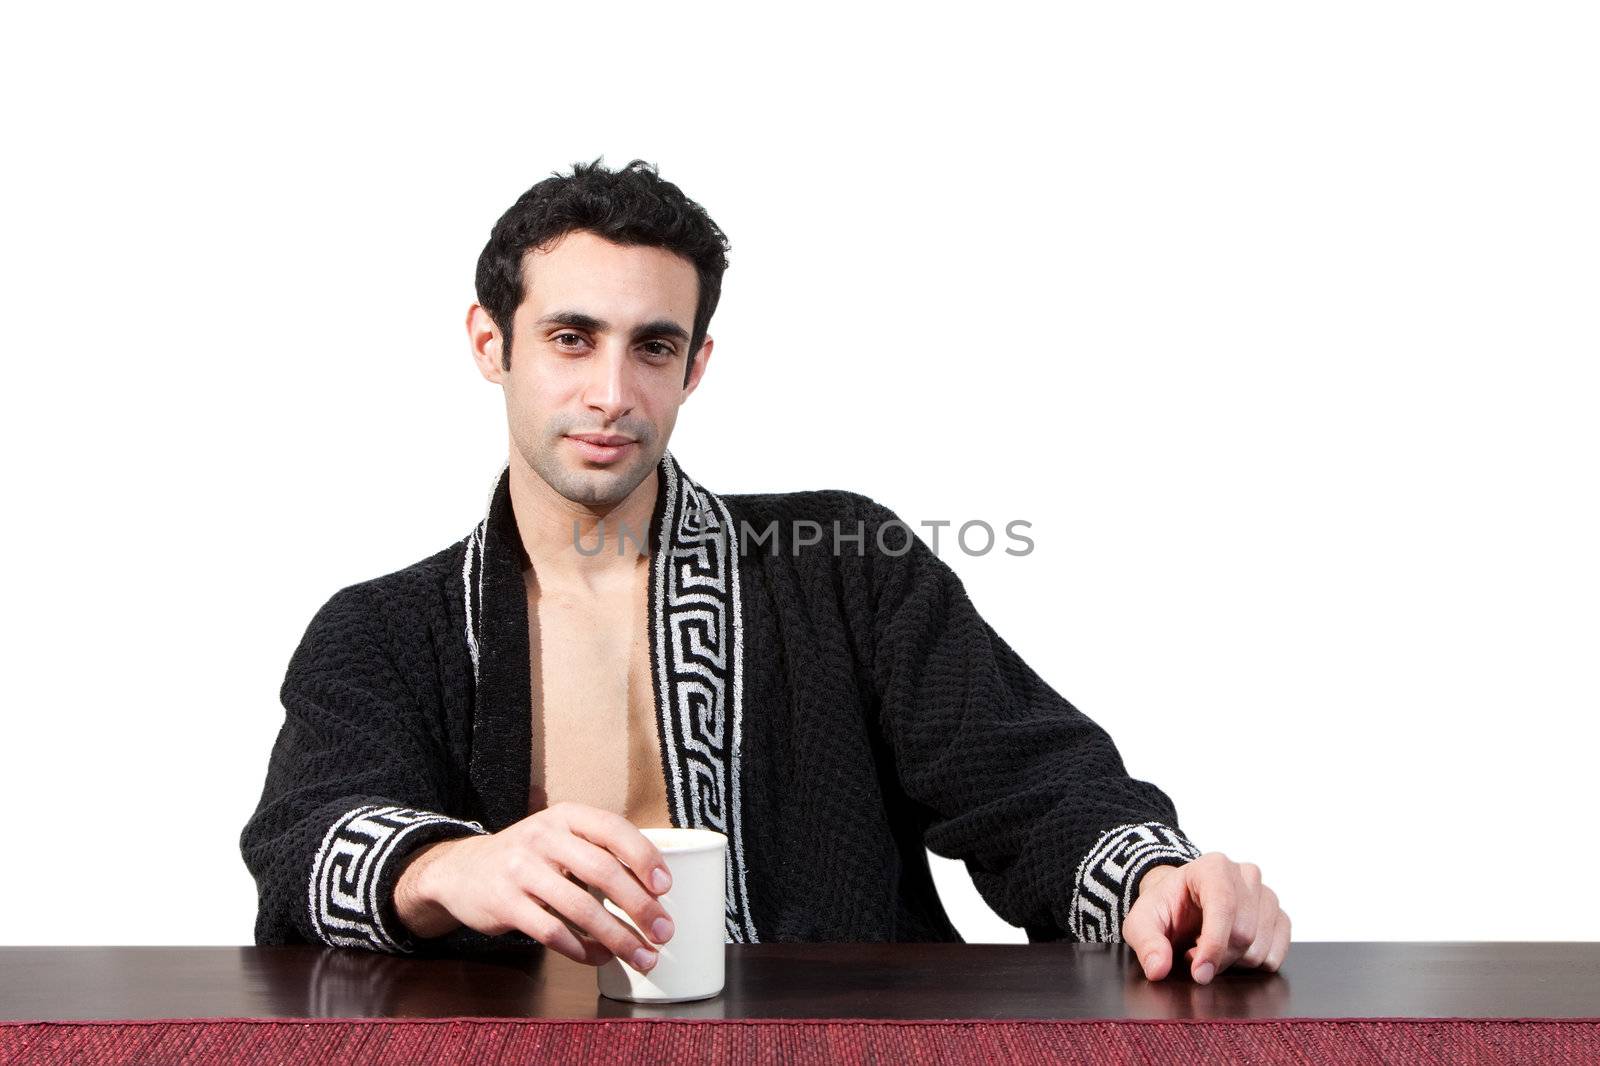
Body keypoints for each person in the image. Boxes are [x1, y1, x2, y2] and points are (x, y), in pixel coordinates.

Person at [239, 158, 1290, 985]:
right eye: (570, 337)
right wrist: (447, 865)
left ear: (694, 365)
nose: (611, 390)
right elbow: (307, 835)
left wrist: (1159, 877)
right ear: (489, 342)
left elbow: (1033, 781)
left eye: (652, 347)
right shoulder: (385, 629)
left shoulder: (844, 566)